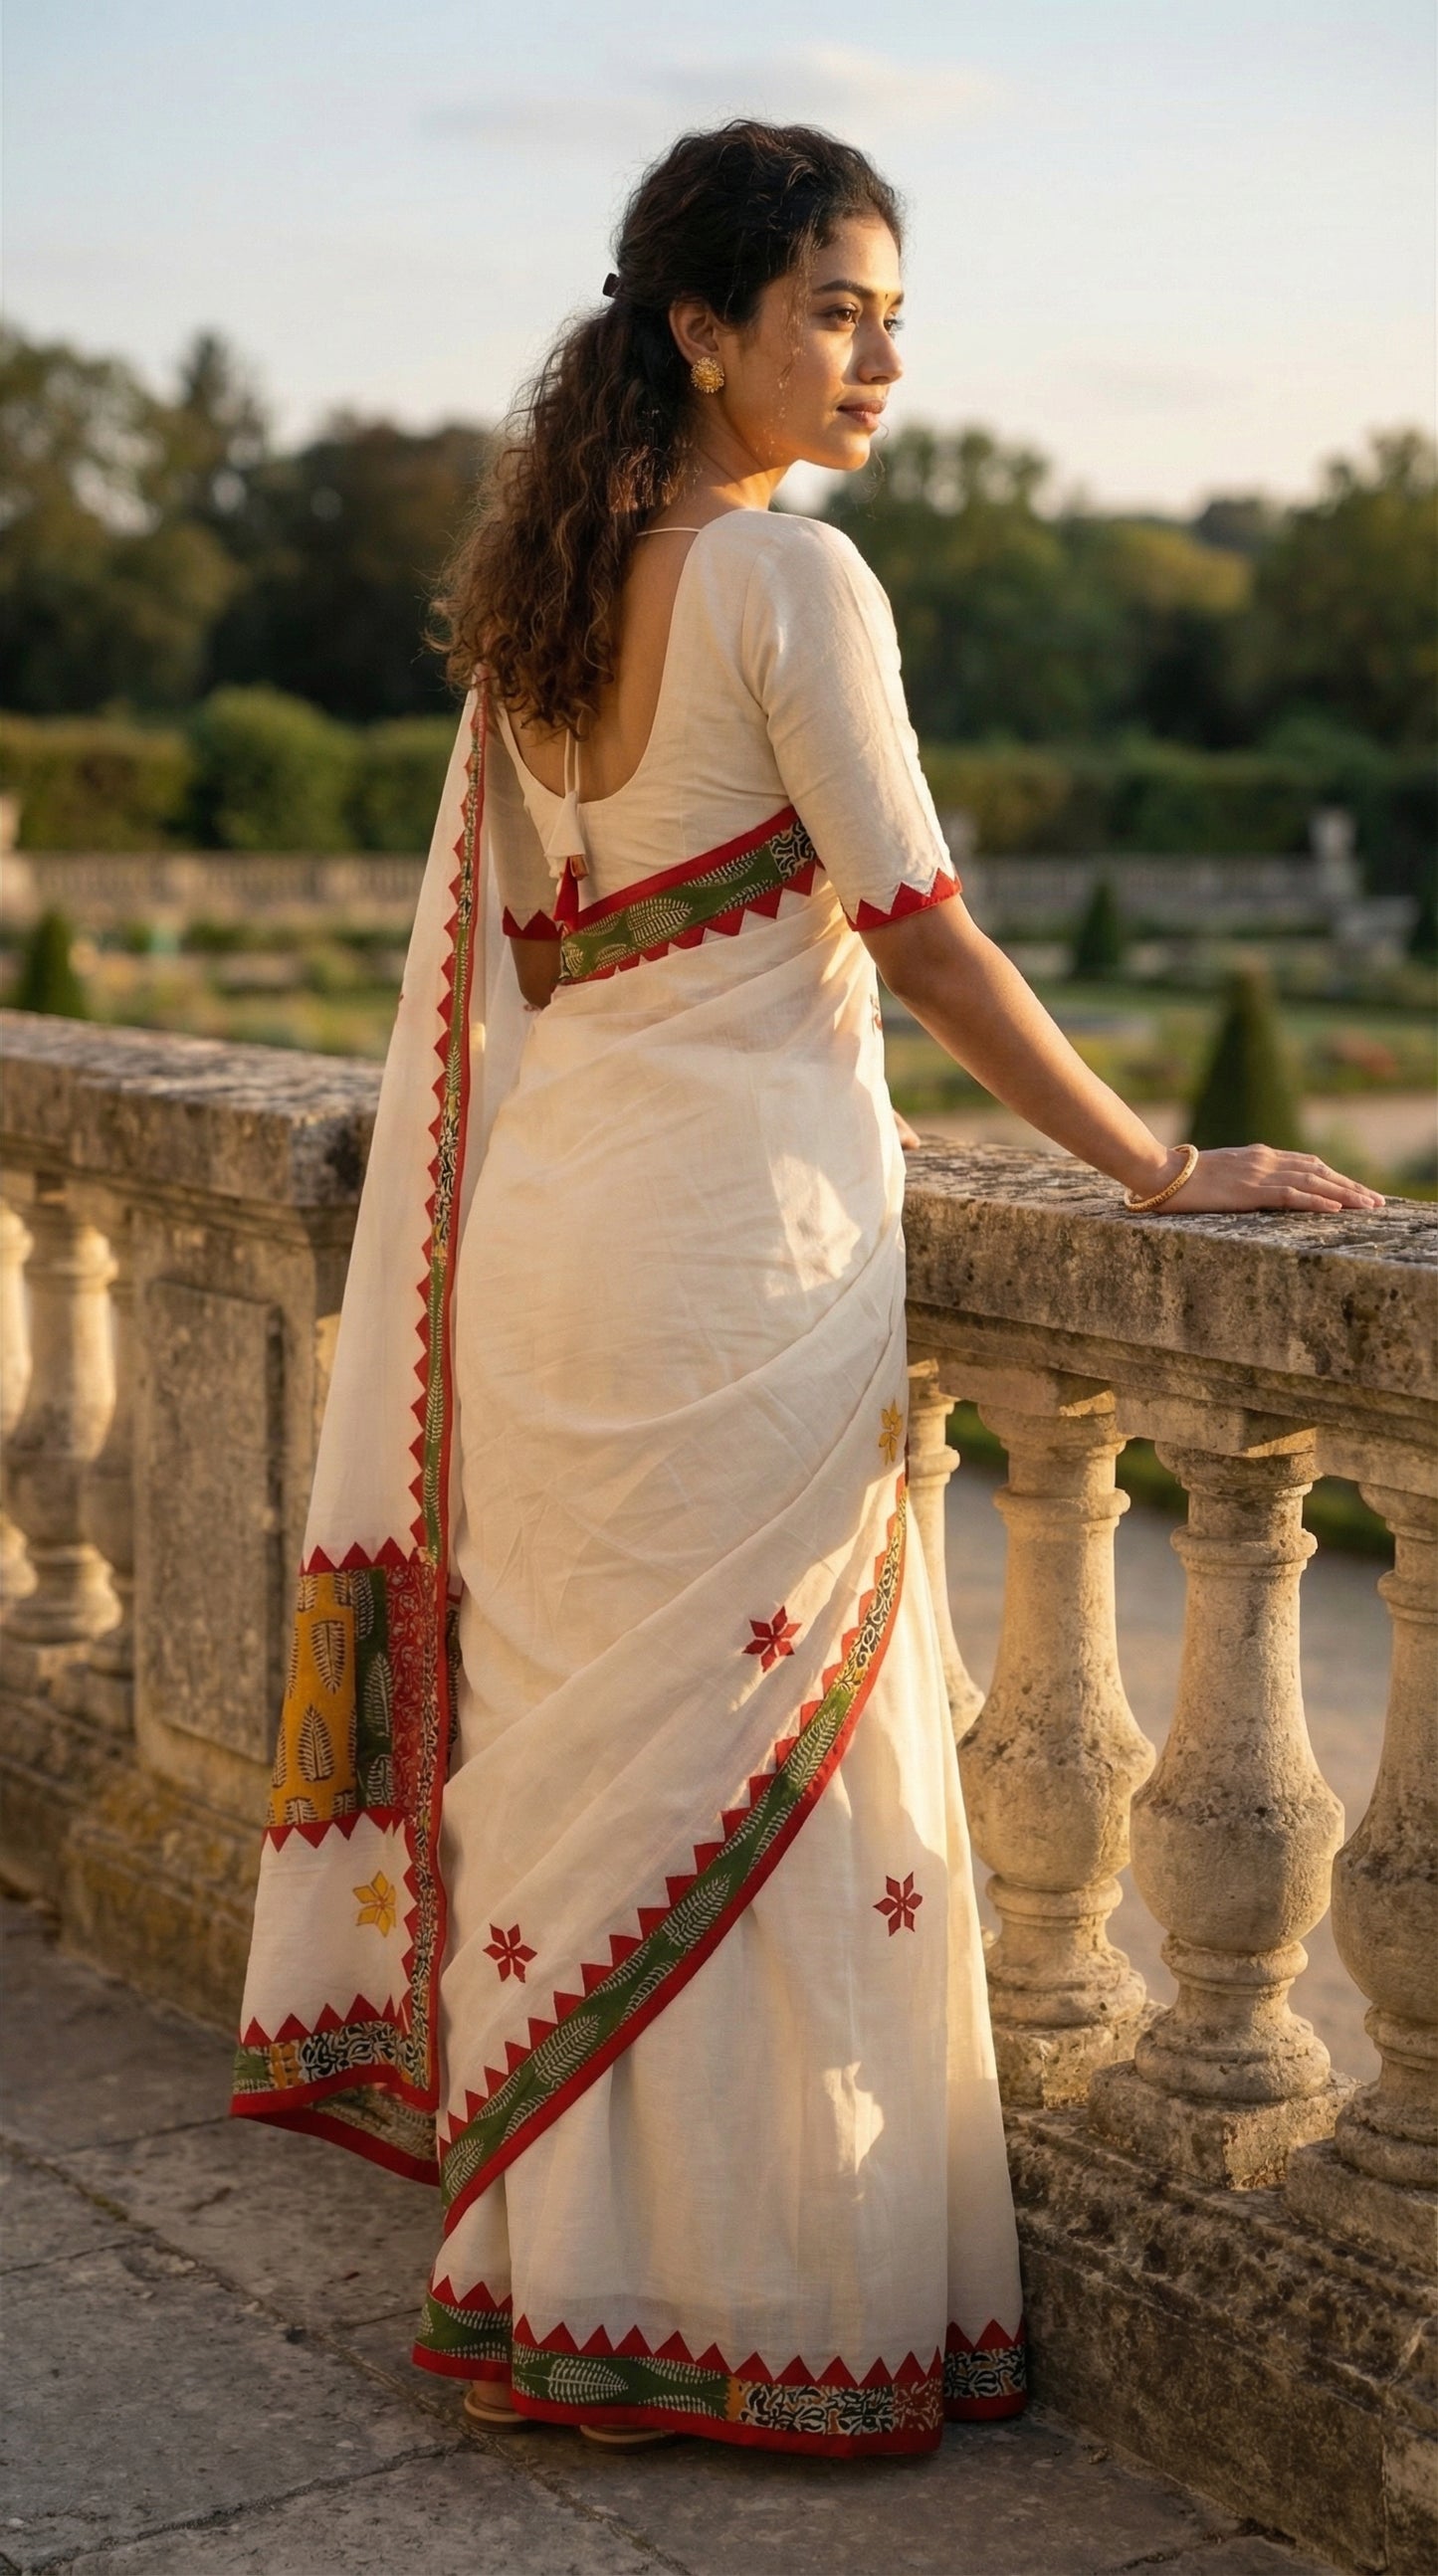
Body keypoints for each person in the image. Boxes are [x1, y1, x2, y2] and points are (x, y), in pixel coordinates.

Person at [230, 120, 1383, 2463]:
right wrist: (1164, 1167)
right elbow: (920, 930)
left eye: (891, 318)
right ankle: (775, 2309)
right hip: (735, 1259)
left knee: (595, 1775)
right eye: (835, 311)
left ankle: (572, 2289)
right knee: (768, 1768)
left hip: (556, 1249)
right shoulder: (791, 580)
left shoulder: (548, 604)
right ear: (702, 327)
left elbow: (551, 962)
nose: (878, 360)